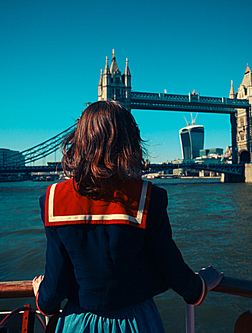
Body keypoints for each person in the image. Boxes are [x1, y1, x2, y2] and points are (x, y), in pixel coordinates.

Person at [33, 101, 223, 332]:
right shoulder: (149, 197)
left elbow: (55, 285)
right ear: (129, 141)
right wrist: (201, 286)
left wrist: (42, 300)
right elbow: (172, 268)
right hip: (135, 322)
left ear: (80, 141)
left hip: (78, 321)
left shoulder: (53, 199)